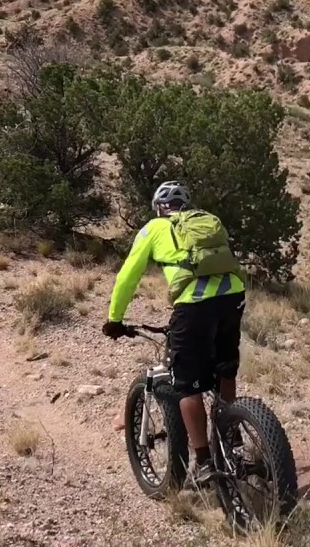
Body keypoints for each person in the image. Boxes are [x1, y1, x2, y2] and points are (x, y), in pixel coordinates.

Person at [102, 181, 246, 486]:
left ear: (158, 207)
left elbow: (128, 274)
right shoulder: (207, 221)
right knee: (224, 369)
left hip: (194, 305)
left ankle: (205, 462)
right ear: (187, 205)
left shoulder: (153, 227)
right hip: (234, 297)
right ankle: (231, 436)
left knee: (187, 386)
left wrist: (115, 318)